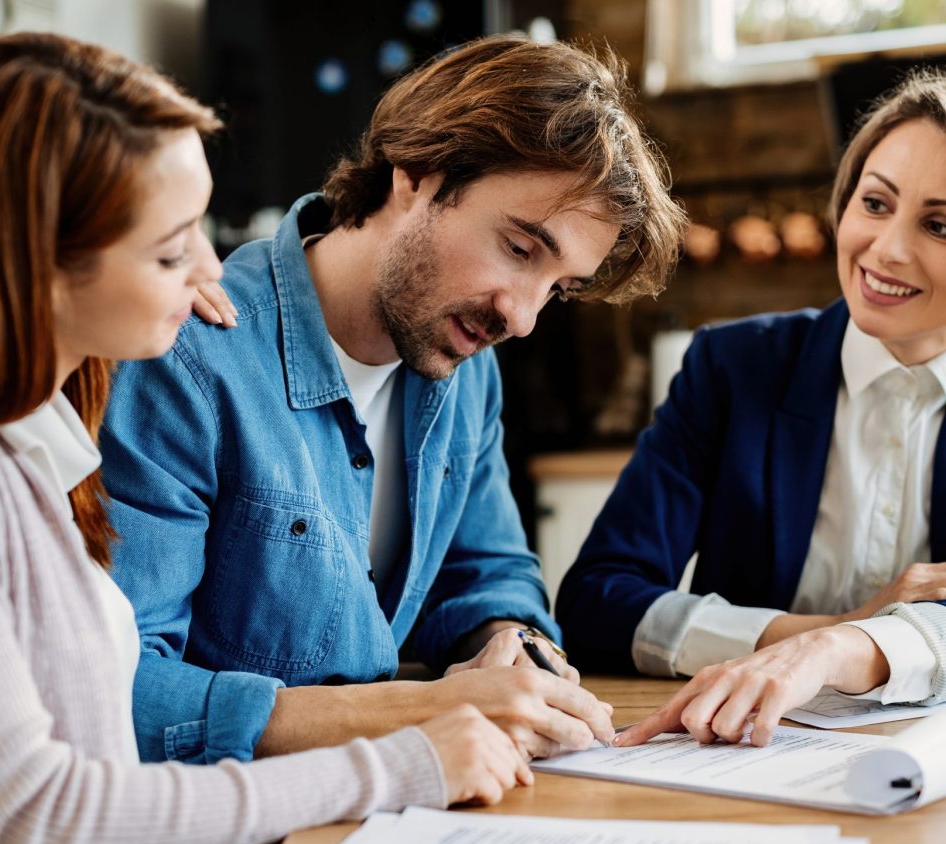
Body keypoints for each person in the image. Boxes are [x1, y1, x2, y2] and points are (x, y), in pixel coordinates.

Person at [0, 33, 532, 844]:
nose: (211, 272)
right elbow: (34, 827)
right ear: (41, 262)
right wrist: (396, 764)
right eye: (172, 246)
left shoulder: (38, 442)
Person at [99, 34, 685, 771]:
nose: (523, 317)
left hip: (392, 810)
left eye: (557, 289)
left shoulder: (464, 363)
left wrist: (511, 644)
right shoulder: (186, 358)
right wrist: (415, 711)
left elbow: (486, 573)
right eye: (520, 248)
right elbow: (119, 693)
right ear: (417, 174)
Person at [556, 69, 946, 748]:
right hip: (732, 750)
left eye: (939, 225)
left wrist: (851, 650)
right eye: (875, 203)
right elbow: (597, 600)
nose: (887, 249)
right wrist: (810, 638)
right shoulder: (733, 369)